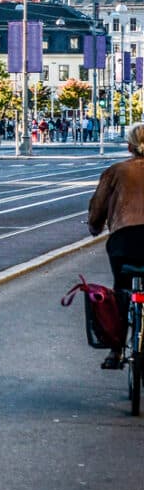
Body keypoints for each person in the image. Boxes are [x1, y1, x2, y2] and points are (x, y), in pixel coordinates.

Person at [87, 122, 144, 368]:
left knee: (121, 290)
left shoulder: (116, 171)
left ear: (129, 146)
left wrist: (95, 226)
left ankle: (116, 351)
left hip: (124, 240)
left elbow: (98, 206)